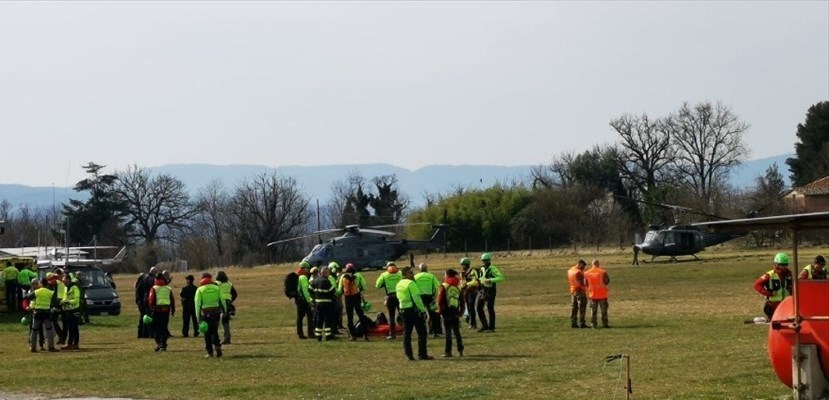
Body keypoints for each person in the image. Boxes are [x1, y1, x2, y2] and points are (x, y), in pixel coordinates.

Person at [396, 266, 432, 361]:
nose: (413, 274)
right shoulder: (411, 283)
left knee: (407, 333)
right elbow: (416, 298)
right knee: (422, 332)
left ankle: (408, 355)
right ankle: (422, 354)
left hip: (403, 309)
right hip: (413, 310)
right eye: (410, 273)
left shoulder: (399, 284)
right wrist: (423, 310)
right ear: (405, 274)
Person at [195, 272, 226, 358]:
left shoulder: (200, 290)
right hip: (216, 312)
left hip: (205, 313)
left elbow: (197, 304)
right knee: (214, 330)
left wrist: (197, 315)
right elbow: (222, 300)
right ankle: (217, 345)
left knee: (207, 333)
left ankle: (210, 352)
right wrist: (224, 311)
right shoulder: (217, 288)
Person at [754, 252, 793, 319]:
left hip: (785, 305)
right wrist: (768, 294)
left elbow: (792, 287)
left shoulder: (789, 274)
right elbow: (757, 285)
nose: (785, 266)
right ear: (776, 264)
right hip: (772, 305)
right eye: (783, 265)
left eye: (786, 264)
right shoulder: (770, 275)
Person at [337, 263, 369, 341]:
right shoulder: (358, 275)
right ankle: (365, 335)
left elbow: (339, 290)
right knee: (361, 315)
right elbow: (364, 286)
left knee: (350, 317)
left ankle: (352, 335)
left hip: (347, 298)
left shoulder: (342, 276)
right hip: (356, 296)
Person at [437, 268, 464, 358]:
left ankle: (448, 352)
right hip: (455, 310)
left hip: (446, 311)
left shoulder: (444, 286)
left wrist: (440, 311)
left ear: (447, 275)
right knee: (457, 332)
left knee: (448, 332)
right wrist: (461, 312)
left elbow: (440, 300)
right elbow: (462, 300)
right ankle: (460, 350)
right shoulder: (458, 286)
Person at [27, 278, 58, 352]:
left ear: (41, 283)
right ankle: (51, 347)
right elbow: (55, 302)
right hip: (47, 313)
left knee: (34, 330)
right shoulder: (51, 292)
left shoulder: (37, 291)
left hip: (37, 313)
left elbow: (28, 296)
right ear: (47, 284)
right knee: (49, 330)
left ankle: (33, 347)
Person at [476, 253, 504, 333]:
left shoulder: (492, 268)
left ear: (489, 260)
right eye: (483, 260)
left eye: (485, 260)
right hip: (483, 290)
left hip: (491, 291)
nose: (484, 262)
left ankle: (492, 327)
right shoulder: (481, 269)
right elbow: (481, 278)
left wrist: (491, 280)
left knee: (490, 308)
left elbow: (501, 278)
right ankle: (484, 325)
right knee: (478, 307)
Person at [148, 272, 175, 352]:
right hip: (166, 311)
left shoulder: (154, 288)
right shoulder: (168, 288)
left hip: (157, 311)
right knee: (164, 328)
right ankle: (163, 344)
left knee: (155, 328)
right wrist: (173, 310)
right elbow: (172, 300)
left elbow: (151, 300)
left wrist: (150, 309)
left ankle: (160, 343)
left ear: (155, 279)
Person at [375, 261, 403, 340]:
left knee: (391, 316)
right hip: (400, 296)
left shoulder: (384, 275)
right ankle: (406, 331)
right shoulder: (400, 273)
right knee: (402, 314)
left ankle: (392, 334)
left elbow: (377, 285)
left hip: (390, 297)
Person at [414, 263, 442, 337]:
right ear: (426, 268)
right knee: (433, 314)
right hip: (430, 297)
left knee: (420, 314)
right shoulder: (431, 276)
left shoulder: (416, 277)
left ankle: (422, 331)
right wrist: (435, 295)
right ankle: (434, 332)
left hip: (420, 298)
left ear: (419, 269)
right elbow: (437, 286)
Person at [311, 266, 337, 341]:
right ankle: (328, 336)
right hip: (326, 303)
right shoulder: (326, 281)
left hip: (318, 303)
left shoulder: (315, 280)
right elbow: (332, 290)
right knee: (327, 319)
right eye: (328, 272)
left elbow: (310, 289)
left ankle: (318, 336)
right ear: (325, 273)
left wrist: (314, 297)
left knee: (319, 319)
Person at [585, 259, 611, 328]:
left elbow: (585, 283)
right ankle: (605, 324)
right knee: (604, 310)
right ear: (598, 264)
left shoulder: (587, 273)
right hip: (602, 294)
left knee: (593, 310)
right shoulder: (603, 272)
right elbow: (607, 280)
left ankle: (593, 324)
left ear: (592, 264)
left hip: (592, 294)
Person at [135, 267, 158, 338]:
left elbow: (138, 290)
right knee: (150, 317)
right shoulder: (153, 280)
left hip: (143, 300)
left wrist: (139, 299)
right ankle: (150, 333)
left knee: (143, 316)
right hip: (150, 300)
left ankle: (141, 333)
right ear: (154, 272)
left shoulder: (144, 279)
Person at [60, 274, 81, 350]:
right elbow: (64, 297)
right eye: (62, 281)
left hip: (75, 310)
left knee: (74, 328)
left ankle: (75, 344)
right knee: (70, 328)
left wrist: (68, 302)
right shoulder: (66, 288)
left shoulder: (75, 287)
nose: (63, 283)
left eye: (64, 281)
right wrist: (62, 301)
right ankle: (70, 344)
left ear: (68, 280)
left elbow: (76, 300)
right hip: (68, 310)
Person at [216, 271, 238, 344]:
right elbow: (235, 294)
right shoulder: (229, 284)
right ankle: (227, 338)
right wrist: (231, 301)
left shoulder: (217, 284)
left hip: (219, 303)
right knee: (225, 321)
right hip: (227, 303)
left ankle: (215, 338)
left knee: (215, 321)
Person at [294, 262, 314, 339]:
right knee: (310, 316)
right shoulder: (303, 277)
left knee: (300, 317)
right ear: (304, 268)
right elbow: (305, 290)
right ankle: (310, 333)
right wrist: (309, 300)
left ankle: (300, 333)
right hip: (304, 300)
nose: (308, 270)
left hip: (299, 299)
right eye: (307, 268)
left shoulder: (298, 276)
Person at [568, 259, 589, 328]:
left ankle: (573, 322)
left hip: (573, 291)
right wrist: (587, 284)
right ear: (580, 264)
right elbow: (582, 282)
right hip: (580, 291)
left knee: (574, 308)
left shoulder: (570, 270)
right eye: (583, 266)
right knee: (582, 307)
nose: (583, 268)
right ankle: (582, 323)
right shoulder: (578, 272)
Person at [460, 258, 479, 329]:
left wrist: (466, 284)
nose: (462, 266)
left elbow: (475, 281)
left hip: (472, 292)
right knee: (468, 307)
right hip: (466, 292)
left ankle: (473, 323)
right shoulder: (464, 273)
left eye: (463, 265)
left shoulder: (472, 271)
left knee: (471, 307)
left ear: (466, 264)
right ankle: (471, 322)